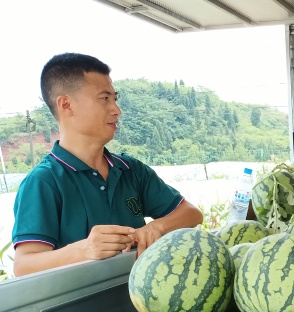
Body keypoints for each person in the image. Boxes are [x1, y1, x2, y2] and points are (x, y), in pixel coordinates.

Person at [12, 53, 203, 277]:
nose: (116, 109)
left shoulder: (131, 169)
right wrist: (84, 249)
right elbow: (23, 266)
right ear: (66, 105)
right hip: (86, 309)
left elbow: (191, 214)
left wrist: (156, 228)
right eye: (104, 99)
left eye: (115, 98)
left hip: (144, 303)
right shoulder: (44, 181)